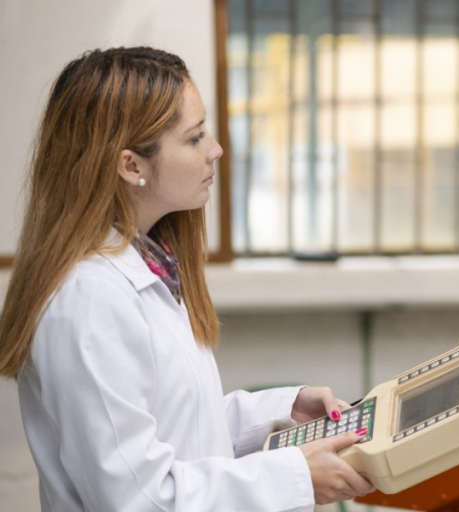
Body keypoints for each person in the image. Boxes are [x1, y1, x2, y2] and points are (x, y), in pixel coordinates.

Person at [0, 47, 373, 511]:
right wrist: (295, 477)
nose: (215, 149)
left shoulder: (145, 264)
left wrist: (282, 411)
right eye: (195, 138)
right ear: (131, 165)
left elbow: (176, 432)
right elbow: (140, 499)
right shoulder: (89, 299)